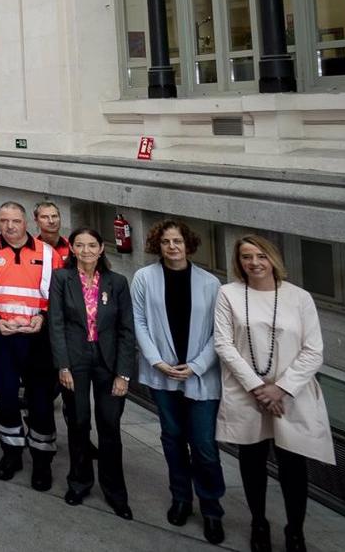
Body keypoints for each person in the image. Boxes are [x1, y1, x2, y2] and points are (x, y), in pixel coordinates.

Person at [214, 235, 333, 552]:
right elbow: (224, 344)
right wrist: (257, 387)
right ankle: (259, 523)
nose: (254, 263)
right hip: (247, 393)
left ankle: (296, 531)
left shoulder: (299, 297)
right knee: (252, 463)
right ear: (238, 262)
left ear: (273, 259)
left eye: (261, 256)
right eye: (246, 257)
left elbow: (313, 351)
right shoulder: (229, 294)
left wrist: (280, 389)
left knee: (293, 466)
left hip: (290, 395)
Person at [131, 219, 226, 544]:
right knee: (172, 438)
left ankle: (212, 508)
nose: (172, 247)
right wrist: (156, 360)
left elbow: (219, 333)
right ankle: (181, 498)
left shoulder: (210, 283)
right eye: (167, 241)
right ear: (158, 244)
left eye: (178, 242)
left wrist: (197, 366)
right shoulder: (144, 278)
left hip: (200, 376)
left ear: (189, 245)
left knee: (203, 445)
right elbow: (139, 321)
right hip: (162, 374)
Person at [0, 201, 58, 489]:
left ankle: (42, 462)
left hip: (37, 338)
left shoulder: (47, 253)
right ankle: (12, 453)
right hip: (3, 336)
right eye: (3, 220)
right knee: (5, 397)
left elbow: (55, 295)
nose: (9, 226)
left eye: (15, 221)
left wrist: (43, 318)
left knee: (41, 401)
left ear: (26, 223)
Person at [48, 227, 136, 518]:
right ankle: (79, 482)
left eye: (92, 245)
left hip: (108, 361)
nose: (86, 250)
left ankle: (116, 492)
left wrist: (124, 374)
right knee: (79, 422)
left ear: (101, 249)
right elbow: (56, 324)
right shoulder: (62, 279)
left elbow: (126, 330)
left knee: (110, 425)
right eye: (79, 245)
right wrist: (63, 365)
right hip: (75, 361)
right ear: (72, 249)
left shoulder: (118, 282)